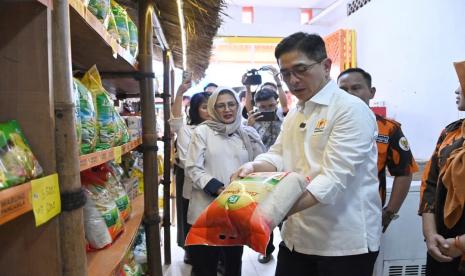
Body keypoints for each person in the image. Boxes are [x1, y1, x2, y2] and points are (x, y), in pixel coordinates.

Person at [232, 32, 381, 276]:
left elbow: (331, 179)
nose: (293, 80)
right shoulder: (296, 112)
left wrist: (271, 211)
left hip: (342, 244)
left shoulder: (350, 110)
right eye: (286, 73)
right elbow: (279, 154)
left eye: (300, 69)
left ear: (326, 66)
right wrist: (254, 167)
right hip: (297, 238)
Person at [186, 87, 265, 276]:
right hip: (206, 209)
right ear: (213, 109)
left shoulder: (246, 133)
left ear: (238, 107)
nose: (227, 109)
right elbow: (193, 168)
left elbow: (259, 164)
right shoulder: (202, 132)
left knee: (233, 265)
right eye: (220, 106)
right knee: (205, 267)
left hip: (237, 210)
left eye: (231, 104)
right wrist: (218, 188)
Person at [337, 68, 419, 232]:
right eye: (343, 90)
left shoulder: (388, 129)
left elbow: (404, 172)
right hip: (329, 216)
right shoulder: (325, 125)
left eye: (356, 88)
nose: (349, 94)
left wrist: (390, 211)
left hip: (366, 217)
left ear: (371, 92)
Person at [419, 84, 465, 276]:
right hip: (443, 244)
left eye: (462, 85)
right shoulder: (451, 133)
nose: (456, 90)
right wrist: (431, 236)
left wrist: (460, 244)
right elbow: (430, 185)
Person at [169, 75, 211, 264]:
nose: (209, 111)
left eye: (212, 106)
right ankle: (193, 255)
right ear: (195, 109)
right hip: (194, 186)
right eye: (204, 107)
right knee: (193, 223)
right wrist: (179, 92)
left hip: (217, 188)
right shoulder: (188, 130)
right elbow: (188, 162)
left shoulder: (221, 129)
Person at [246, 87, 286, 264]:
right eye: (263, 107)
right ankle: (266, 249)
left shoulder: (286, 118)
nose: (268, 110)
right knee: (264, 215)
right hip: (261, 175)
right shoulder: (250, 122)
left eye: (271, 105)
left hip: (284, 172)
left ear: (276, 102)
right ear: (256, 106)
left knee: (286, 213)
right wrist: (249, 127)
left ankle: (288, 244)